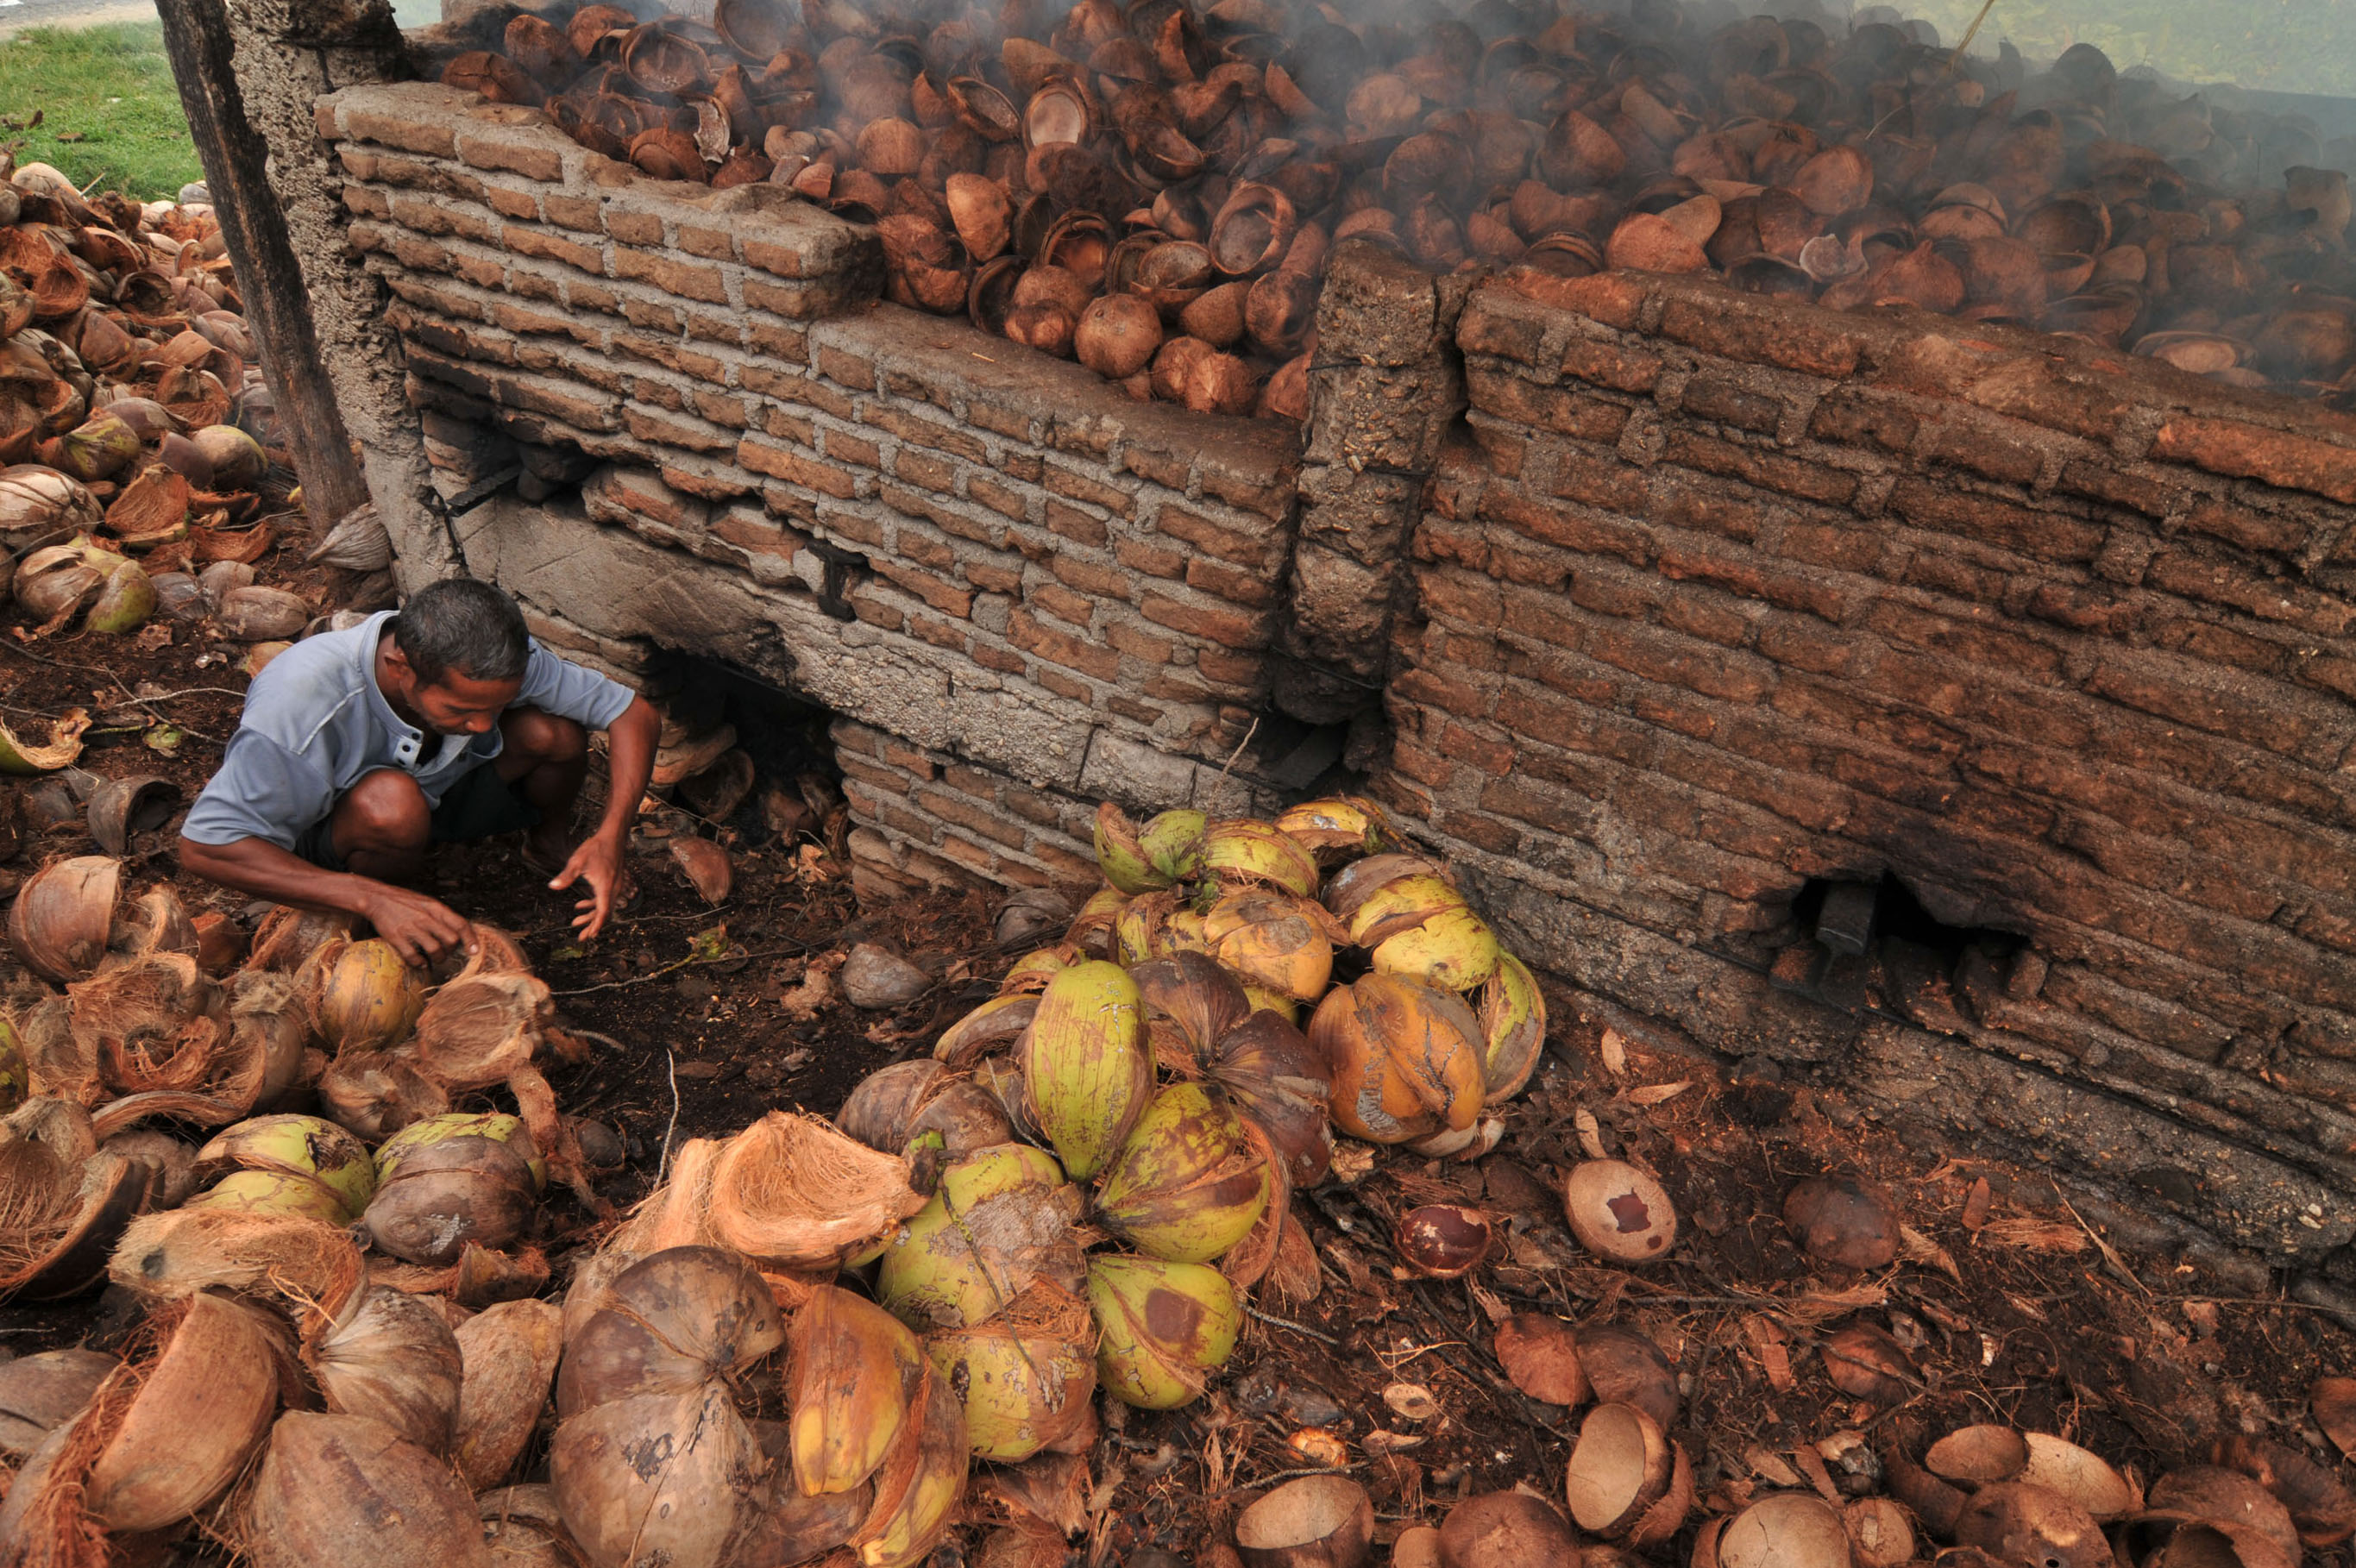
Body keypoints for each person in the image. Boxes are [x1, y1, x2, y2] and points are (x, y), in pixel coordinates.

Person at [179, 578, 662, 964]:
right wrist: (368, 898)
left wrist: (611, 835)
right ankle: (376, 917)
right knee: (392, 803)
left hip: (439, 791)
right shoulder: (303, 700)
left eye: (497, 706)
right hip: (341, 831)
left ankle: (549, 846)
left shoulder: (493, 660)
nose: (484, 724)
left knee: (551, 734)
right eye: (461, 710)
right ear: (401, 667)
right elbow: (206, 846)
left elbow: (632, 714)